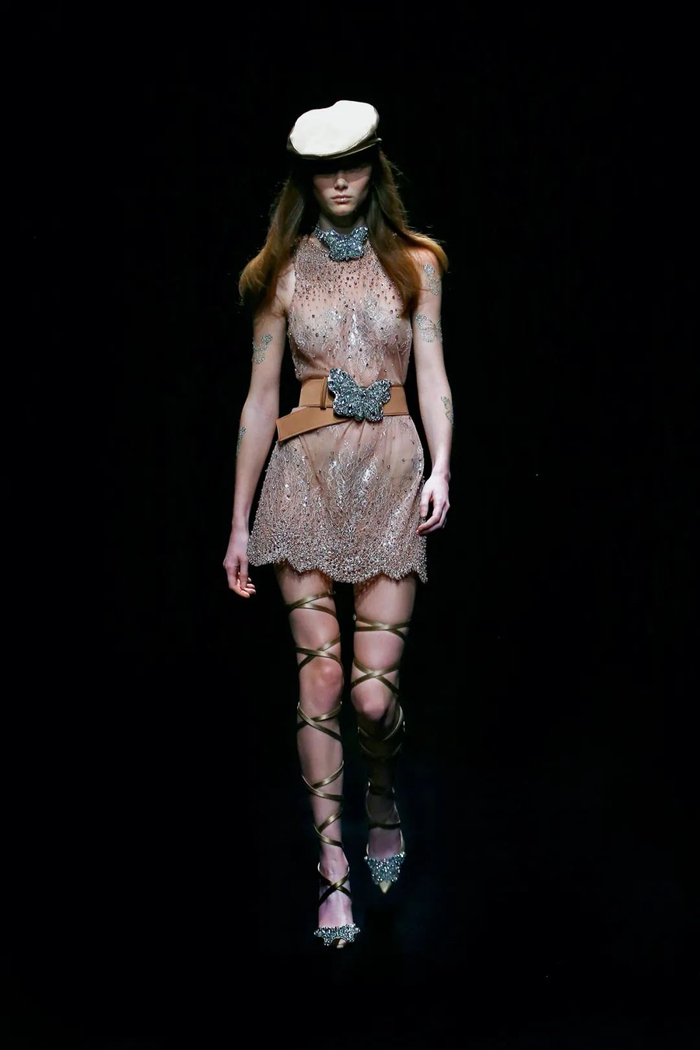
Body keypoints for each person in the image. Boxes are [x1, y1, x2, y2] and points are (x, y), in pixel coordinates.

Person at [223, 100, 453, 948]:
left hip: (391, 472)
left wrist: (442, 466)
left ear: (374, 166)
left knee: (370, 696)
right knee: (319, 681)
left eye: (354, 164)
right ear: (307, 178)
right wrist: (238, 524)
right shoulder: (279, 274)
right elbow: (259, 401)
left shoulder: (417, 264)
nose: (342, 181)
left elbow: (433, 374)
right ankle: (333, 874)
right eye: (326, 169)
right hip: (303, 477)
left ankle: (382, 788)